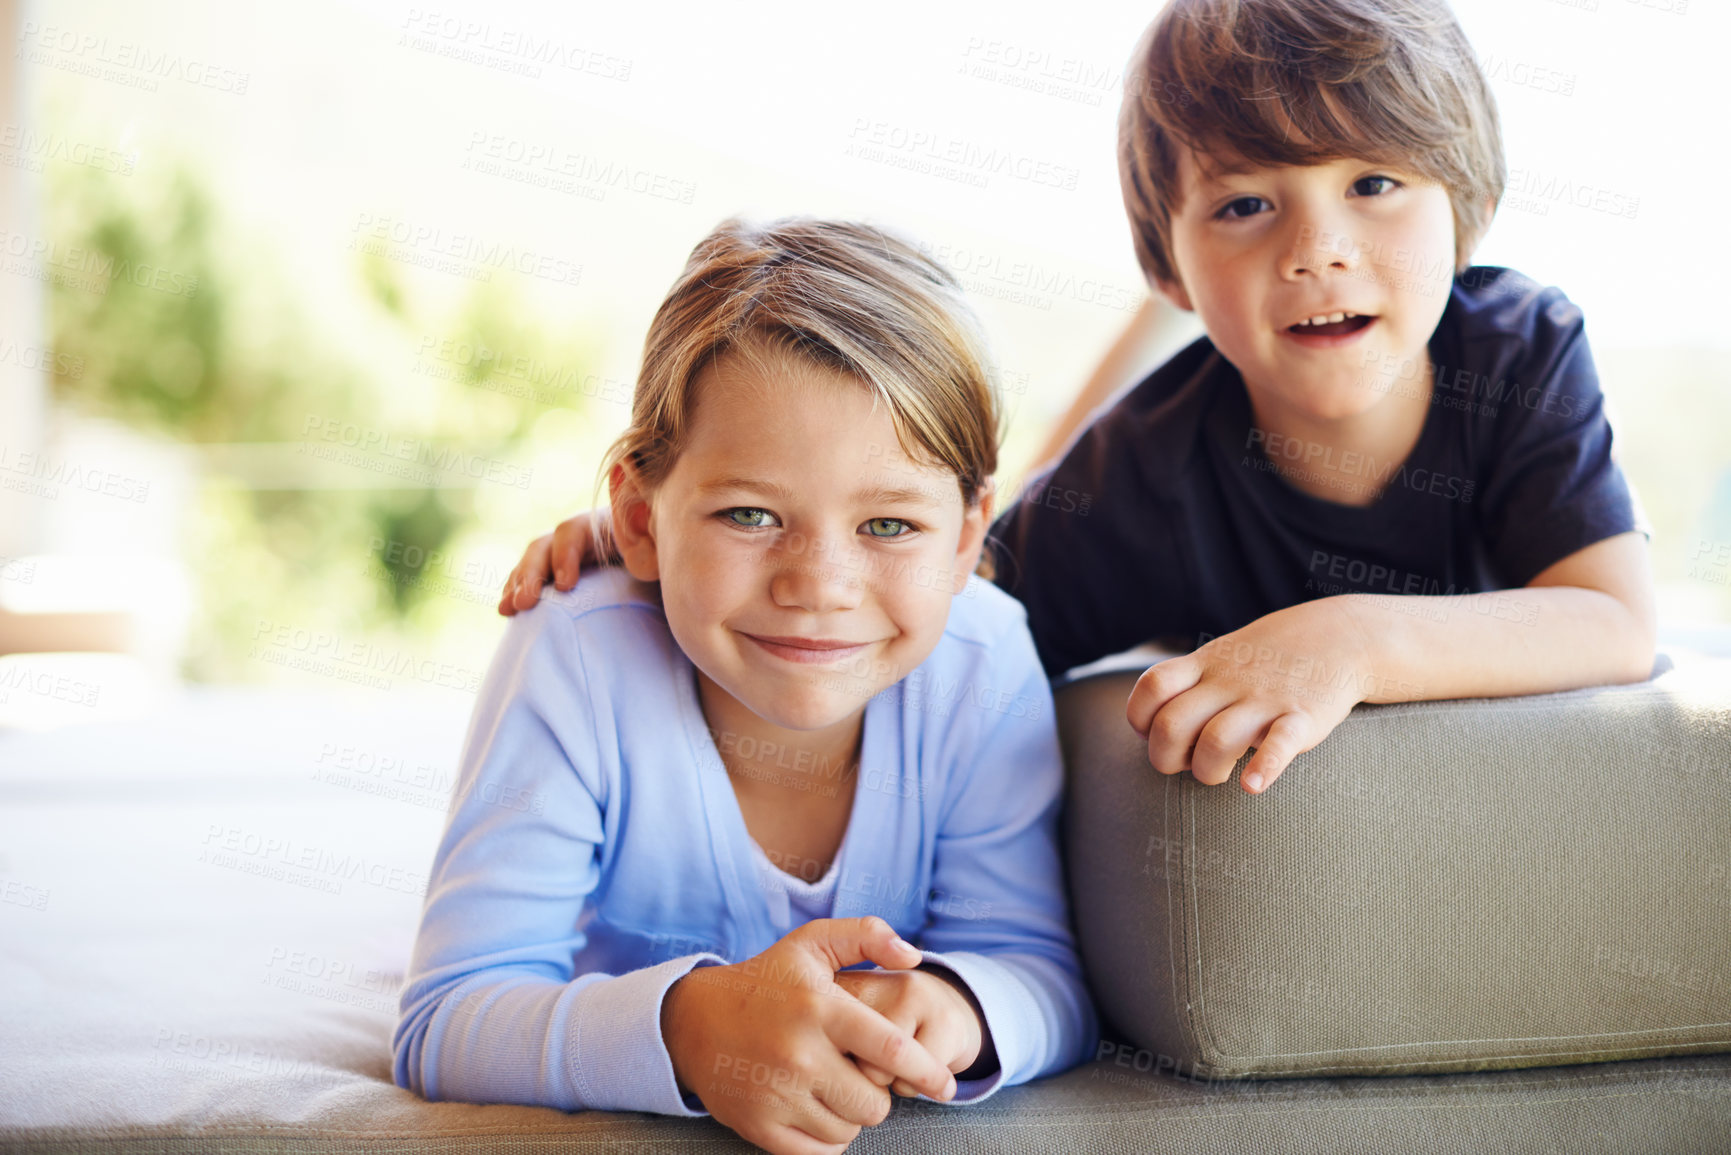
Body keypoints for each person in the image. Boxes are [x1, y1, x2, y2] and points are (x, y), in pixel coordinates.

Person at [499, 0, 1656, 801]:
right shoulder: (1145, 468)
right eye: (1245, 206)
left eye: (1375, 184)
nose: (1319, 249)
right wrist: (675, 527)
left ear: (1468, 203)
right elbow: (942, 589)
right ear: (1167, 266)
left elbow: (1613, 622)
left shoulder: (1519, 350)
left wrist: (1349, 639)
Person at [393, 217, 1097, 1155]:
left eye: (889, 525)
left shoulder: (981, 662)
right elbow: (448, 1015)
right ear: (638, 518)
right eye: (750, 513)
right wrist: (685, 1029)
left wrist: (957, 1003)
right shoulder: (574, 651)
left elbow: (1038, 970)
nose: (818, 585)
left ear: (968, 535)